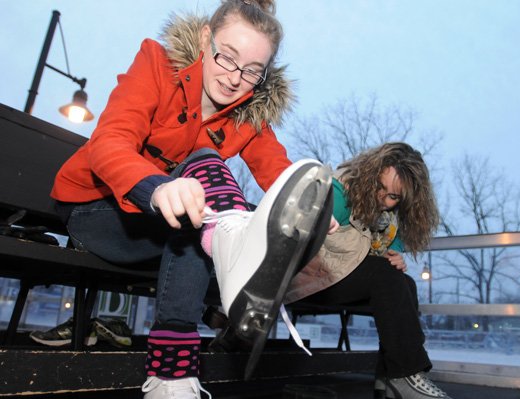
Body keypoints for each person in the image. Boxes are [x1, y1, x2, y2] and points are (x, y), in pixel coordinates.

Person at [48, 1, 333, 398]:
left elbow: (277, 168)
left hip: (178, 222)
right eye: (227, 57)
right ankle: (228, 254)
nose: (235, 78)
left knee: (209, 216)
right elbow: (110, 141)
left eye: (252, 71)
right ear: (205, 38)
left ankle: (172, 377)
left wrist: (318, 207)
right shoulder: (157, 63)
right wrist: (156, 186)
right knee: (204, 170)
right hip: (96, 210)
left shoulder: (250, 111)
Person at [285, 142, 451, 399]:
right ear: (369, 175)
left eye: (394, 197)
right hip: (307, 279)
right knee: (386, 277)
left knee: (405, 283)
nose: (384, 200)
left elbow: (383, 250)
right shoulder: (340, 194)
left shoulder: (389, 219)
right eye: (380, 188)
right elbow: (298, 242)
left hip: (338, 277)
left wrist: (394, 257)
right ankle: (406, 375)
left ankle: (388, 377)